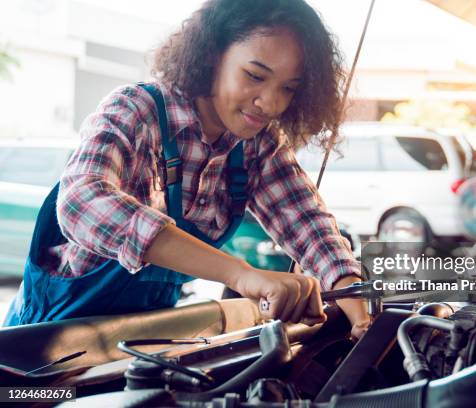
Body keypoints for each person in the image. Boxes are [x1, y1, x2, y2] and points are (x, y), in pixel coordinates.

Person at [3, 0, 370, 338]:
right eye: (255, 76)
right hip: (46, 349)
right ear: (212, 55)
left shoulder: (258, 144)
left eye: (288, 88)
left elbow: (306, 220)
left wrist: (358, 303)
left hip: (140, 346)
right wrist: (240, 274)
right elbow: (81, 203)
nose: (271, 103)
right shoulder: (136, 111)